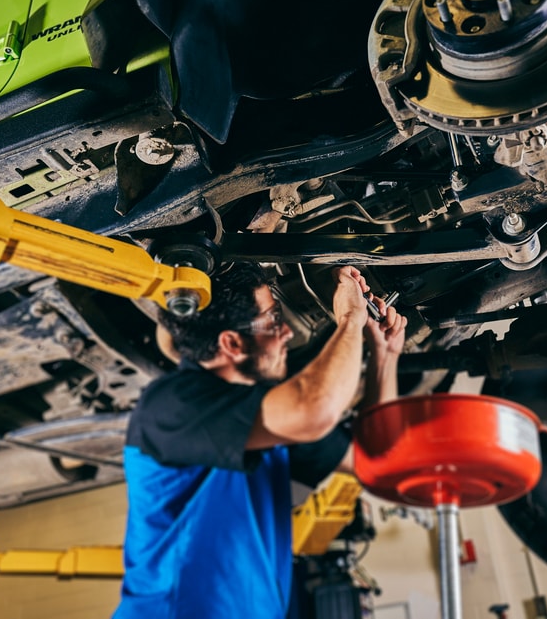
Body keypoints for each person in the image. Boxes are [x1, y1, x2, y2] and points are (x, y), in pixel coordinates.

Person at [113, 263, 406, 619]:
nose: (286, 332)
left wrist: (384, 354)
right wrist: (349, 320)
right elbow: (314, 407)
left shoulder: (272, 423)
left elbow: (376, 462)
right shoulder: (169, 404)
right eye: (273, 320)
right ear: (232, 343)